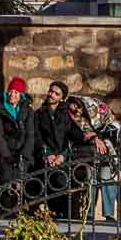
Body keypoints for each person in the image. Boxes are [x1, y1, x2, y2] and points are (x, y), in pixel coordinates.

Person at [67, 95, 120, 221]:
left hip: (106, 154)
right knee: (90, 181)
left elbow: (113, 129)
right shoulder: (73, 119)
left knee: (107, 178)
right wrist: (93, 138)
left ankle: (109, 213)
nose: (76, 111)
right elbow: (76, 135)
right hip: (87, 155)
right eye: (73, 108)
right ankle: (89, 213)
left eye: (78, 107)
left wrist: (97, 135)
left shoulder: (102, 113)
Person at [33, 80, 76, 217]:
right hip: (45, 157)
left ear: (62, 98)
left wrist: (63, 155)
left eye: (56, 93)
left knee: (62, 181)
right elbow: (37, 136)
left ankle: (63, 214)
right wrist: (48, 154)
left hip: (63, 158)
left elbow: (72, 137)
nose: (52, 95)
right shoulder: (39, 114)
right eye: (51, 91)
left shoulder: (67, 116)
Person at [0, 77, 35, 191]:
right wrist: (6, 155)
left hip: (22, 153)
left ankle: (19, 208)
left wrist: (24, 154)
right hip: (6, 153)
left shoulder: (28, 110)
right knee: (6, 183)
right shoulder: (0, 109)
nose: (12, 94)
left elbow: (30, 134)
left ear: (21, 95)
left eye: (16, 92)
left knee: (21, 184)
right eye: (10, 91)